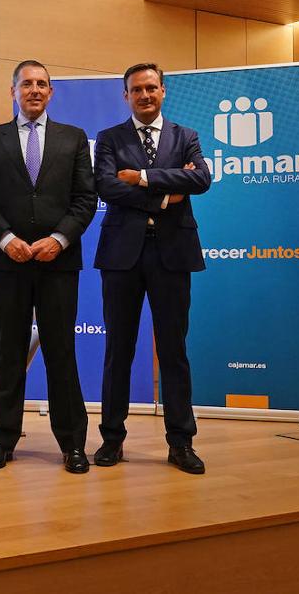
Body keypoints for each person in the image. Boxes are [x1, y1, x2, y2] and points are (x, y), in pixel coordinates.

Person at [0, 59, 95, 474]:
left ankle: (73, 445)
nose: (35, 90)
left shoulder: (74, 138)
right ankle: (2, 440)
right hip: (8, 263)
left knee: (62, 353)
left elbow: (85, 200)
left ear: (51, 92)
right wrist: (7, 240)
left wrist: (57, 240)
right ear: (13, 92)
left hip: (58, 263)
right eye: (26, 84)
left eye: (42, 83)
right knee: (9, 353)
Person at [92, 62, 211, 475]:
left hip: (172, 254)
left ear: (164, 91)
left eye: (151, 88)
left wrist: (141, 178)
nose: (144, 95)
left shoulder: (186, 136)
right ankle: (111, 439)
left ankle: (181, 443)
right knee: (117, 351)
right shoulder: (108, 139)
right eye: (136, 90)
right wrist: (164, 195)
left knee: (174, 352)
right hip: (122, 256)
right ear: (125, 96)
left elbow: (201, 181)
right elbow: (106, 185)